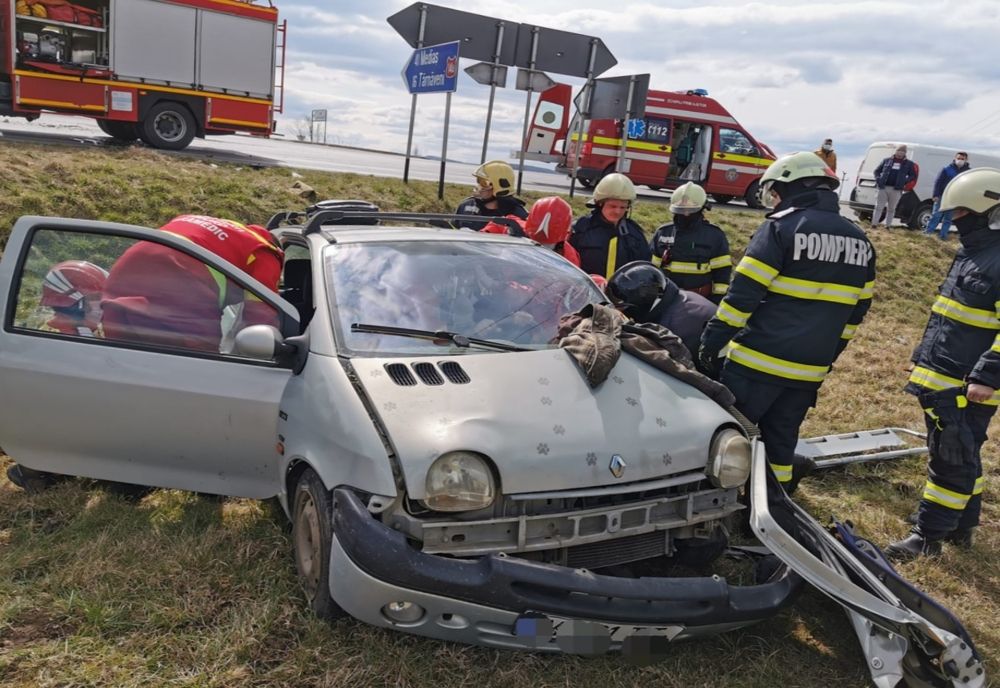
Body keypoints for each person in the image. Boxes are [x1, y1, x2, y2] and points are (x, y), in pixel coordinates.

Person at [699, 152, 876, 493]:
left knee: (732, 435)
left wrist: (711, 342)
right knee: (781, 443)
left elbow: (741, 297)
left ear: (794, 187)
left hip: (756, 364)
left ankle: (727, 503)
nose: (774, 200)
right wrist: (827, 357)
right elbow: (856, 313)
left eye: (776, 192)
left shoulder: (781, 228)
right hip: (809, 371)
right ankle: (777, 503)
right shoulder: (861, 241)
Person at [886, 168, 1000, 560]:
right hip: (944, 376)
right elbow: (949, 318)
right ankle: (961, 526)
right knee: (963, 452)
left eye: (961, 212)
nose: (954, 219)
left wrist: (987, 376)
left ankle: (927, 537)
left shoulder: (995, 259)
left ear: (986, 212)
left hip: (967, 383)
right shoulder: (973, 254)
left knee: (950, 456)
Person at [101, 215, 284, 352]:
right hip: (181, 272)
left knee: (116, 335)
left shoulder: (225, 227)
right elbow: (260, 313)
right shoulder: (265, 251)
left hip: (129, 265)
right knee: (200, 356)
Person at [607, 261, 716, 357]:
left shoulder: (671, 329)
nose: (622, 313)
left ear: (641, 303)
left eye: (623, 310)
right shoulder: (678, 297)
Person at [649, 182, 732, 303]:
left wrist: (716, 300)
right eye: (681, 210)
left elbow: (722, 272)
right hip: (667, 298)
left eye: (690, 211)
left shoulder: (714, 236)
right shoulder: (663, 233)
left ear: (702, 209)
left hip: (701, 300)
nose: (685, 214)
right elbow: (652, 268)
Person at [569, 173, 652, 280]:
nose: (617, 211)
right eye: (612, 206)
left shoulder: (634, 234)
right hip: (586, 288)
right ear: (600, 204)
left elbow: (644, 269)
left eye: (623, 207)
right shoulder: (580, 229)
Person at [480, 196, 581, 267]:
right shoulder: (511, 227)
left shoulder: (569, 258)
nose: (540, 247)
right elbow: (479, 242)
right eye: (533, 240)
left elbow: (568, 285)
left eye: (547, 245)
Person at [40, 260, 108, 336]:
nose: (104, 302)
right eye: (97, 297)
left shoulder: (80, 332)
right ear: (77, 305)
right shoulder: (66, 337)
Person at [453, 160, 528, 231]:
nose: (479, 186)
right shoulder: (466, 205)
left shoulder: (518, 214)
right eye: (478, 181)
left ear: (499, 186)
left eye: (484, 183)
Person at [924, 152, 970, 240]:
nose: (960, 160)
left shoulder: (967, 172)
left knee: (948, 218)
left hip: (954, 198)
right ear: (955, 158)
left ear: (966, 160)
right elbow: (938, 182)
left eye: (962, 159)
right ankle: (928, 232)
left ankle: (943, 236)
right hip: (942, 196)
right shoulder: (947, 169)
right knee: (936, 215)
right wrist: (935, 195)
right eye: (958, 158)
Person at [872, 144, 918, 229]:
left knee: (891, 208)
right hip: (883, 187)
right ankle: (874, 224)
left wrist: (904, 181)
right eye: (899, 151)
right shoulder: (886, 160)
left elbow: (913, 175)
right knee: (879, 206)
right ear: (896, 151)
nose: (900, 153)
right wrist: (878, 179)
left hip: (896, 189)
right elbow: (876, 171)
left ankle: (887, 226)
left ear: (905, 153)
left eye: (902, 152)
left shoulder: (909, 164)